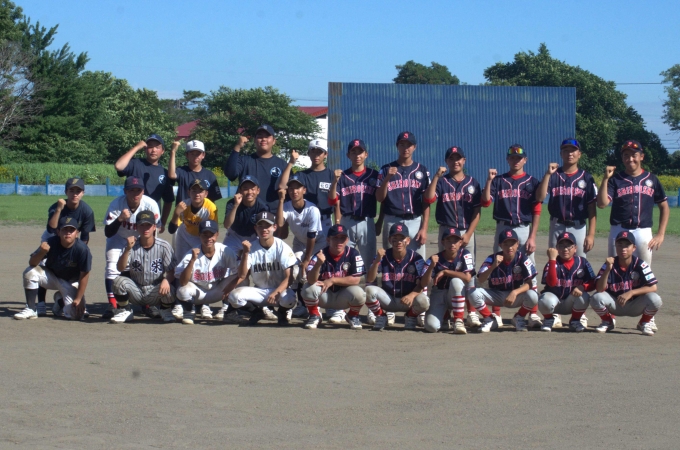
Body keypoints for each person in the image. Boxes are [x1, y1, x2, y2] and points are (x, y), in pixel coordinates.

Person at [481, 144, 542, 326]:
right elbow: (485, 202)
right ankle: (496, 313)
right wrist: (489, 181)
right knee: (498, 266)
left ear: (525, 160)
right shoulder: (499, 180)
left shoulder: (532, 182)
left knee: (530, 268)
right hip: (503, 227)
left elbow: (537, 209)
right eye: (512, 157)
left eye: (519, 158)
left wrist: (532, 236)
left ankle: (532, 313)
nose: (515, 160)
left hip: (523, 227)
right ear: (507, 159)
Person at [423, 145, 482, 327]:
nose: (455, 161)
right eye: (451, 158)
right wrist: (436, 177)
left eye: (458, 158)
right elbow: (429, 198)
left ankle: (471, 312)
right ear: (446, 161)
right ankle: (447, 310)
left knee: (469, 272)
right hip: (447, 232)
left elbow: (477, 211)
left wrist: (469, 234)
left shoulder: (472, 183)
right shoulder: (442, 182)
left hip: (465, 231)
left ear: (464, 160)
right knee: (445, 266)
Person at [597, 140, 669, 265]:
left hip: (643, 231)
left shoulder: (651, 179)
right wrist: (605, 179)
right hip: (618, 229)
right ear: (622, 158)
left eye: (634, 155)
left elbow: (664, 207)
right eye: (626, 155)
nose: (630, 159)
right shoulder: (616, 180)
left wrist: (660, 234)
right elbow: (602, 204)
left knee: (643, 270)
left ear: (641, 156)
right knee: (615, 269)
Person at [102, 177, 161, 319]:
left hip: (142, 238)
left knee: (146, 267)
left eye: (138, 190)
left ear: (143, 191)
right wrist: (120, 219)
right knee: (112, 267)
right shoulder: (116, 204)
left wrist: (146, 247)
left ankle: (148, 304)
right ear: (125, 191)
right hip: (118, 238)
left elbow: (154, 230)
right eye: (131, 190)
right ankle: (113, 305)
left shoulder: (150, 204)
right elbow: (108, 232)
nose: (135, 193)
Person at [38, 177, 96, 317]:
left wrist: (78, 252)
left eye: (78, 191)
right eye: (71, 190)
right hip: (52, 238)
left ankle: (66, 299)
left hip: (72, 239)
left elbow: (85, 236)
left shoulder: (87, 211)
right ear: (66, 192)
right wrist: (59, 209)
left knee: (76, 267)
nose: (75, 194)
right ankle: (40, 303)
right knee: (43, 265)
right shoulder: (56, 206)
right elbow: (51, 229)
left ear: (83, 193)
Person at [227, 212, 298, 325]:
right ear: (256, 228)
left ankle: (282, 313)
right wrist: (245, 253)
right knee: (234, 296)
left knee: (289, 298)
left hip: (279, 292)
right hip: (259, 291)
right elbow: (242, 275)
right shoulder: (251, 247)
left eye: (267, 226)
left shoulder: (282, 247)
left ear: (274, 227)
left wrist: (276, 292)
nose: (264, 229)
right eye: (260, 226)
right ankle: (256, 312)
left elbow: (289, 278)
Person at [15, 216, 92, 321]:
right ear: (58, 232)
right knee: (30, 272)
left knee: (76, 315)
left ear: (77, 233)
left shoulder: (82, 249)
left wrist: (78, 298)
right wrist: (42, 252)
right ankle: (31, 309)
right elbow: (32, 263)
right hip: (52, 277)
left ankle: (60, 301)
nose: (68, 233)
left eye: (71, 230)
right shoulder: (51, 242)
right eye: (65, 229)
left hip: (72, 282)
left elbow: (84, 275)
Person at [590, 231, 662, 336]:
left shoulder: (641, 264)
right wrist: (607, 270)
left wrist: (631, 292)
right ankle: (607, 321)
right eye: (620, 245)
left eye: (627, 245)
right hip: (615, 304)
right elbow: (599, 289)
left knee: (655, 299)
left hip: (635, 305)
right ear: (616, 247)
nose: (623, 249)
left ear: (634, 248)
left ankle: (644, 322)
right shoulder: (609, 264)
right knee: (596, 298)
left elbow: (653, 287)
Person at [110, 210, 177, 324]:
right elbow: (120, 268)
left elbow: (172, 271)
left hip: (155, 291)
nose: (145, 228)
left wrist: (166, 280)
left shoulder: (164, 246)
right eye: (142, 225)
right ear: (136, 227)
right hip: (136, 290)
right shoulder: (131, 245)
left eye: (148, 225)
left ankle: (165, 310)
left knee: (170, 288)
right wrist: (127, 249)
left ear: (154, 227)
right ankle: (125, 311)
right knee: (118, 282)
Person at [535, 138, 597, 258]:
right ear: (561, 154)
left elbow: (591, 208)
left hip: (578, 226)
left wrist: (591, 235)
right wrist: (547, 174)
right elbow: (539, 197)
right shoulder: (553, 175)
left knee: (579, 263)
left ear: (579, 154)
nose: (570, 154)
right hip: (557, 225)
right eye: (566, 151)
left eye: (573, 151)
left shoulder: (586, 177)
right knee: (555, 260)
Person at [365, 223, 433, 331]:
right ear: (389, 240)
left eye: (401, 239)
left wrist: (411, 295)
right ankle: (381, 316)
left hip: (408, 301)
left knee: (424, 301)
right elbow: (370, 279)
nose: (398, 242)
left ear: (408, 240)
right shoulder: (383, 256)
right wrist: (377, 261)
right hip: (388, 300)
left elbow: (423, 283)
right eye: (395, 239)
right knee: (368, 290)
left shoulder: (416, 258)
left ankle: (410, 316)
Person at [468, 229, 539, 332]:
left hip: (514, 296)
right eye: (506, 244)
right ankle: (489, 319)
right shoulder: (492, 258)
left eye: (512, 244)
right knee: (472, 293)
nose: (509, 247)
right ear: (500, 245)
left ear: (517, 244)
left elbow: (529, 284)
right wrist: (493, 266)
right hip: (495, 295)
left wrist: (515, 292)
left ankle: (519, 317)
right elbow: (481, 279)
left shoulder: (522, 259)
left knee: (533, 296)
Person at [276, 175, 326, 319]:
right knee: (296, 271)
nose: (294, 191)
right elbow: (280, 224)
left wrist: (307, 259)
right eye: (291, 188)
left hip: (317, 242)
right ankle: (299, 305)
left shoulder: (312, 209)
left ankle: (314, 306)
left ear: (304, 190)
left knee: (308, 271)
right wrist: (281, 201)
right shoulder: (286, 206)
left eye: (297, 188)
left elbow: (312, 237)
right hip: (299, 242)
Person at [300, 224, 366, 330]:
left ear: (347, 240)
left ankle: (352, 316)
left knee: (360, 294)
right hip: (324, 295)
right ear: (328, 240)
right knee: (308, 288)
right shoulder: (320, 254)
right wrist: (318, 264)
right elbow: (311, 280)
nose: (339, 241)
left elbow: (356, 279)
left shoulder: (353, 254)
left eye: (342, 238)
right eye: (335, 238)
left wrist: (333, 280)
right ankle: (314, 315)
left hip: (343, 296)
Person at [376, 131, 430, 259]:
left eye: (409, 145)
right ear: (397, 146)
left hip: (415, 221)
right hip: (392, 220)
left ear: (414, 147)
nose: (405, 148)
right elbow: (379, 198)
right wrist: (387, 178)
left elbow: (426, 201)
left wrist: (424, 228)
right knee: (391, 261)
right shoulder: (386, 169)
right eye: (402, 144)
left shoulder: (422, 170)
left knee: (418, 262)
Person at [175, 220, 241, 325]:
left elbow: (241, 272)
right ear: (199, 235)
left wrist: (230, 286)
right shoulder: (191, 254)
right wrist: (192, 261)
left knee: (241, 279)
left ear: (217, 235)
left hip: (219, 290)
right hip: (197, 292)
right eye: (205, 235)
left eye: (212, 235)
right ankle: (189, 312)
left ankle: (229, 312)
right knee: (182, 290)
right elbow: (182, 282)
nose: (208, 238)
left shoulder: (225, 251)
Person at [328, 138, 380, 265]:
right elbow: (332, 200)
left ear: (366, 154)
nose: (357, 155)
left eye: (360, 152)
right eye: (353, 152)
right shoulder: (342, 176)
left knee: (369, 263)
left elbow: (382, 199)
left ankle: (369, 279)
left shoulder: (374, 175)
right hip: (347, 221)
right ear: (348, 155)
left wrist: (380, 221)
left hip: (366, 221)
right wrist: (334, 181)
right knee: (344, 260)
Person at [114, 134, 174, 233]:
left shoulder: (164, 173)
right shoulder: (135, 163)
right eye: (150, 146)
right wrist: (137, 147)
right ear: (145, 149)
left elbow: (168, 201)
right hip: (130, 217)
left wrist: (162, 223)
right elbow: (118, 166)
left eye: (157, 147)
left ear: (162, 151)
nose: (153, 150)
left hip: (150, 220)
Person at [537, 232, 596, 332]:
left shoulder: (582, 262)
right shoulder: (552, 263)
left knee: (584, 296)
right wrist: (552, 260)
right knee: (544, 299)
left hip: (571, 302)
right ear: (557, 248)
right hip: (554, 302)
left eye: (569, 246)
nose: (565, 249)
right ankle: (548, 320)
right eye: (561, 246)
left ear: (575, 248)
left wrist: (583, 287)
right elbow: (551, 283)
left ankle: (575, 320)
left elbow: (593, 282)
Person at [423, 228, 476, 334]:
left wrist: (446, 272)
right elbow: (424, 283)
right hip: (439, 293)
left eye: (455, 241)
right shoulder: (435, 258)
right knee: (431, 327)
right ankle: (445, 315)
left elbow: (467, 278)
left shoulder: (465, 254)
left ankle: (458, 321)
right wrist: (431, 267)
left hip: (457, 293)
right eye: (448, 241)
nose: (452, 244)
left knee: (456, 282)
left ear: (460, 243)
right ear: (443, 242)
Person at [223, 125, 287, 211]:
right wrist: (237, 147)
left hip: (273, 213)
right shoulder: (245, 160)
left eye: (267, 136)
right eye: (260, 136)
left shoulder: (282, 164)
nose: (263, 139)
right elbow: (230, 174)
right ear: (255, 140)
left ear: (274, 141)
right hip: (246, 213)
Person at [222, 175, 269, 253]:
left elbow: (265, 229)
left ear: (258, 191)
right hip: (234, 235)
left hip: (254, 237)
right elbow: (227, 225)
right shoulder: (232, 203)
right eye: (245, 189)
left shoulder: (262, 207)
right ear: (240, 190)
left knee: (258, 258)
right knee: (225, 256)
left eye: (253, 189)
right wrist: (236, 205)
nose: (249, 192)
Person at [168, 139, 222, 205]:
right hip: (184, 210)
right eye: (192, 154)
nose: (195, 157)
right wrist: (173, 152)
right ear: (187, 155)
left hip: (203, 211)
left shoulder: (210, 175)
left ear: (203, 155)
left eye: (198, 154)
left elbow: (213, 200)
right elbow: (171, 175)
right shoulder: (181, 171)